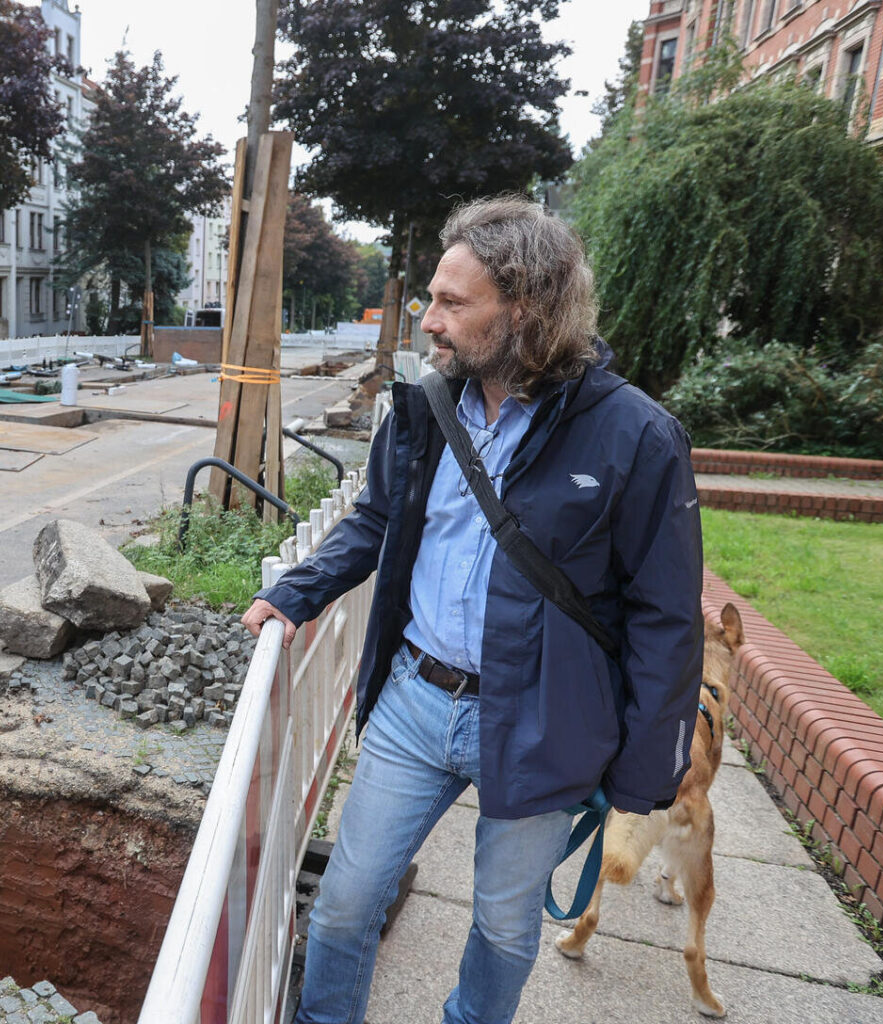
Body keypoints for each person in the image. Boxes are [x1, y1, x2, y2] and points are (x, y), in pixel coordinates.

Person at [242, 196, 703, 1024]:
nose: (429, 322)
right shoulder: (425, 407)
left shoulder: (637, 435)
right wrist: (294, 593)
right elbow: (379, 520)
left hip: (543, 721)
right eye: (431, 297)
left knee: (503, 925)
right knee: (345, 901)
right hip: (417, 702)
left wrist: (643, 773)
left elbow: (664, 616)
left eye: (454, 303)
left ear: (524, 309)